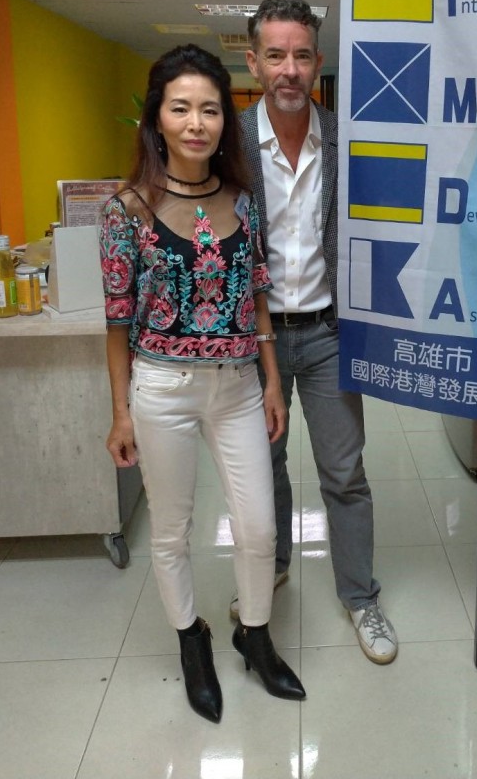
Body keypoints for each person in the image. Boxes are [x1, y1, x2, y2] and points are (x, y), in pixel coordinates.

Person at [99, 43, 305, 723]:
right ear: (157, 120)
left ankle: (255, 633)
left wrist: (273, 381)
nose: (196, 122)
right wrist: (121, 413)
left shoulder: (243, 200)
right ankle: (192, 638)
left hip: (239, 384)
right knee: (173, 529)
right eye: (181, 107)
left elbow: (258, 298)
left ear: (226, 121)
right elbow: (116, 320)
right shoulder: (126, 210)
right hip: (161, 389)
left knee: (257, 525)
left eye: (210, 109)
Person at [231, 0, 398, 665]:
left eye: (301, 55)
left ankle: (360, 597)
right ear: (253, 62)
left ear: (318, 61)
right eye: (276, 55)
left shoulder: (347, 136)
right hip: (254, 339)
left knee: (344, 471)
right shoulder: (231, 143)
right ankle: (270, 567)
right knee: (262, 468)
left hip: (329, 333)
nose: (290, 69)